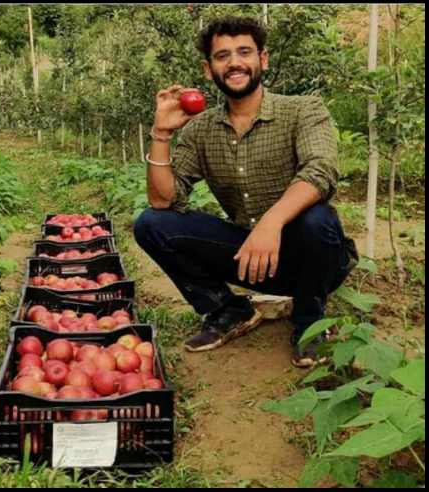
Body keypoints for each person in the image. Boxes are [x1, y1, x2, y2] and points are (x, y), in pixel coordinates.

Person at [134, 16, 357, 368]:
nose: (234, 62)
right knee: (151, 223)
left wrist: (271, 223)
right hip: (251, 258)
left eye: (244, 52)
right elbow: (164, 199)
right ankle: (228, 310)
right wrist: (161, 135)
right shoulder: (201, 129)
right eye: (223, 56)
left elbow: (321, 171)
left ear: (262, 59)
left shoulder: (303, 110)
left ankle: (309, 320)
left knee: (319, 219)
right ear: (209, 70)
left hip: (311, 256)